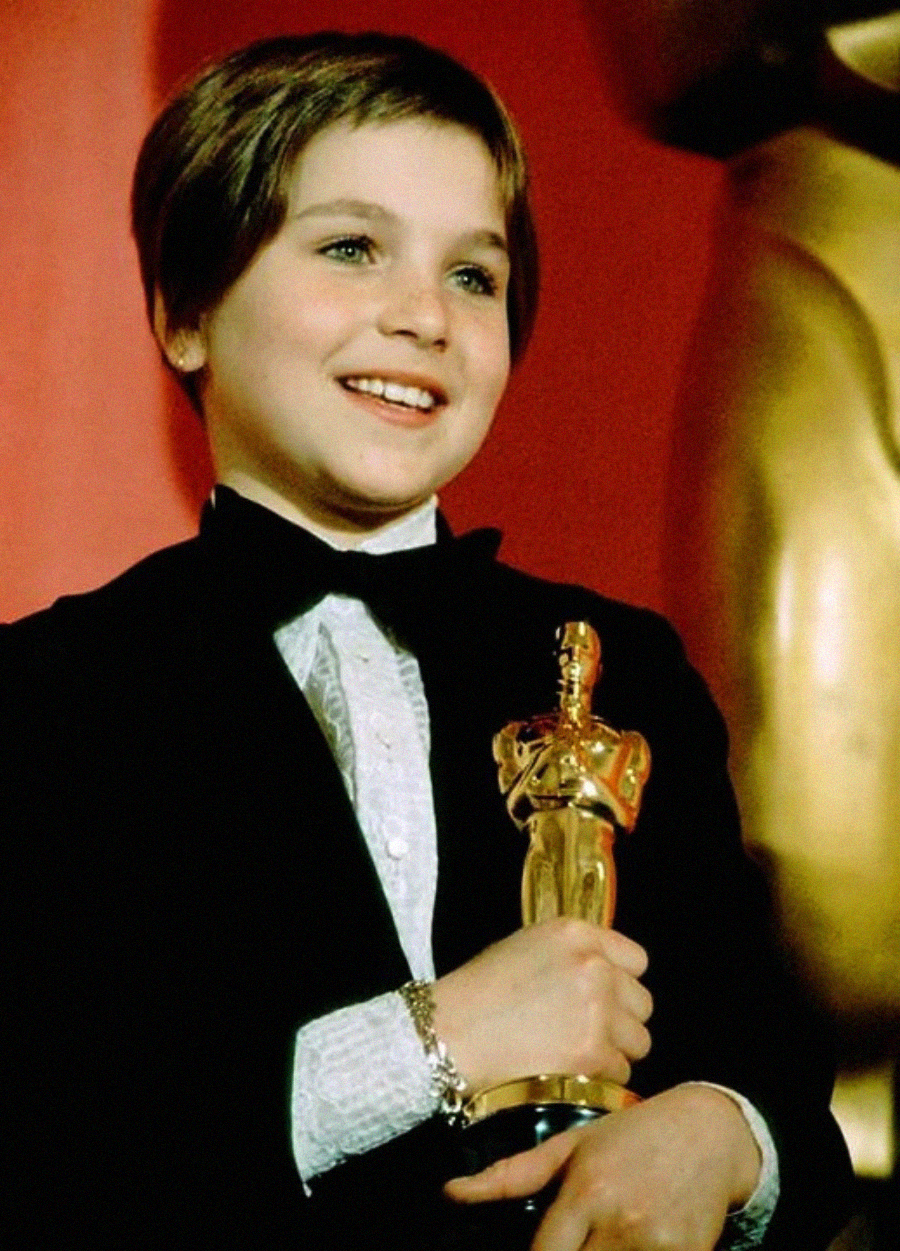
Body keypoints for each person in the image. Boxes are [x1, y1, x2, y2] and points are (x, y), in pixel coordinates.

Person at [1, 31, 852, 1250]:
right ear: (186, 312)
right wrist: (437, 1041)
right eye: (352, 248)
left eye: (475, 275)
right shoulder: (45, 703)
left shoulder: (631, 668)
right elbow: (48, 1138)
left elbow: (783, 1087)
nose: (423, 317)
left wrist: (723, 1135)